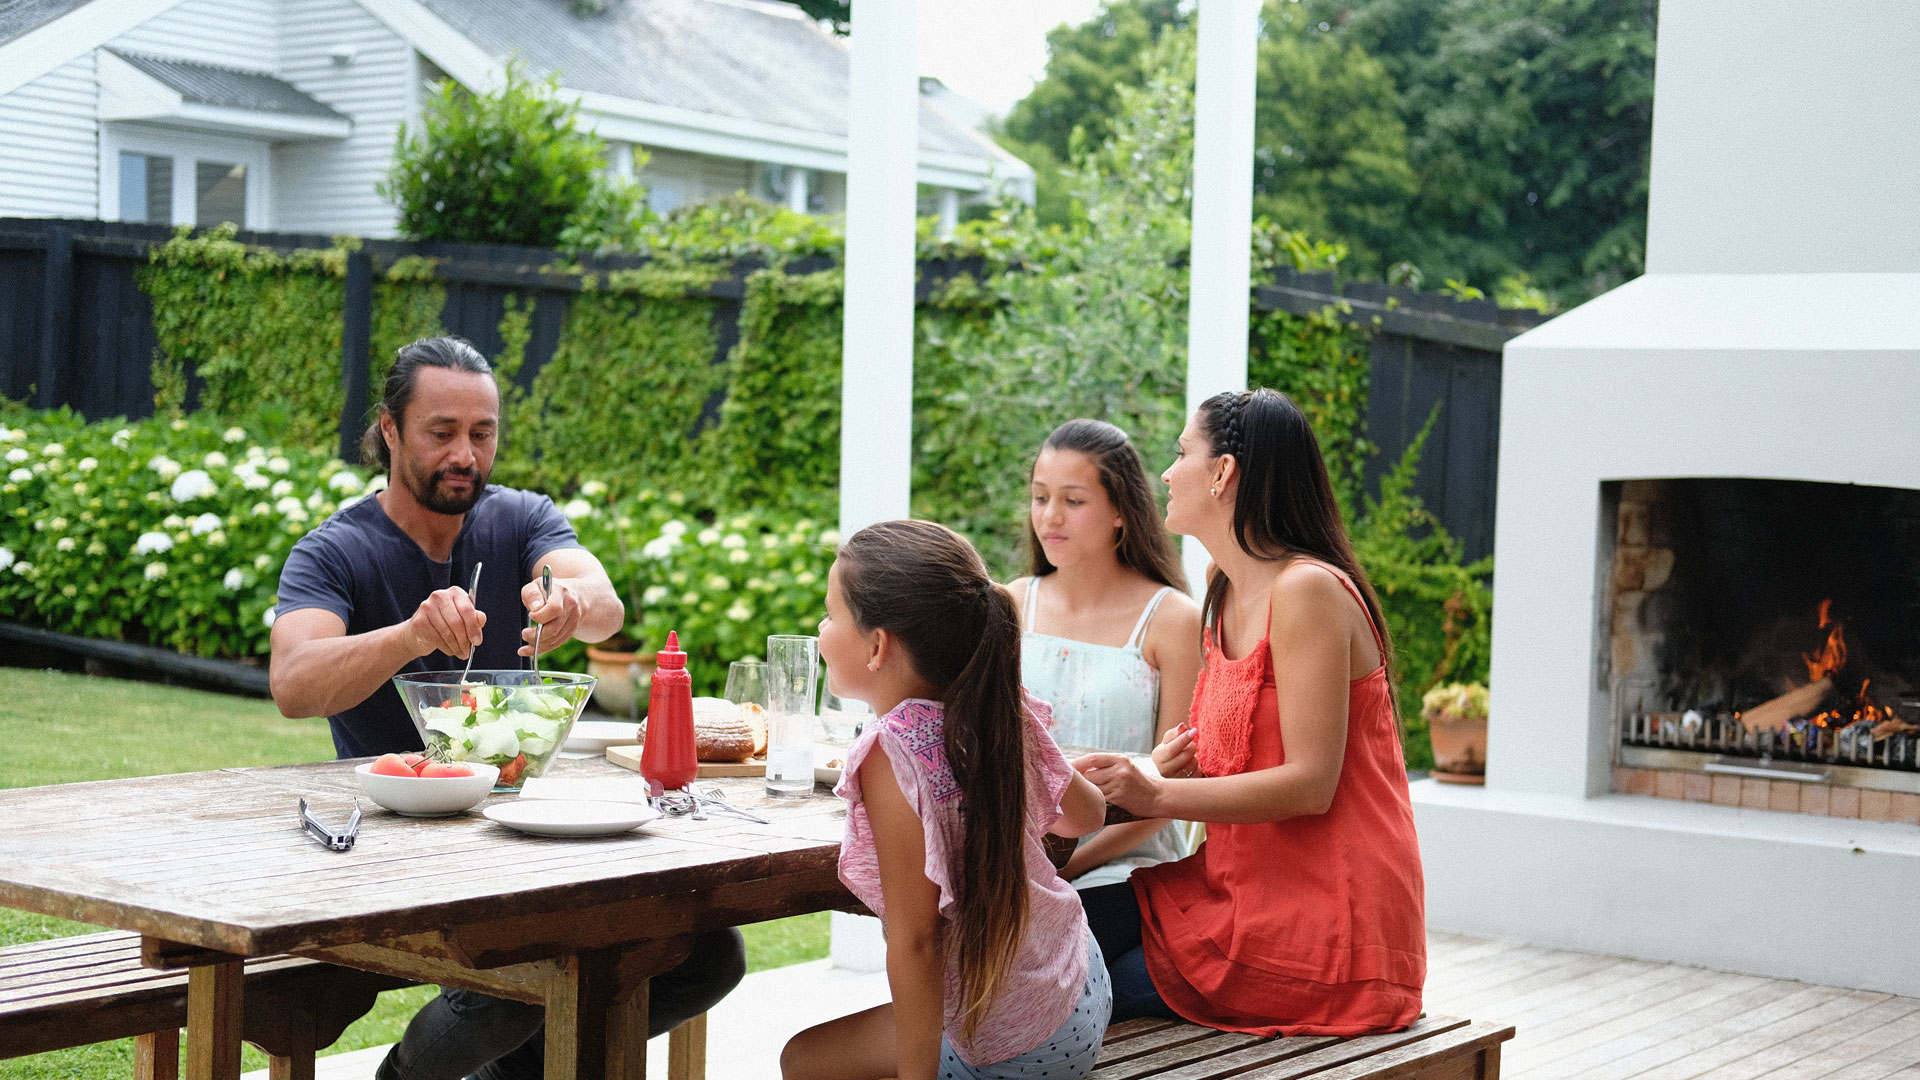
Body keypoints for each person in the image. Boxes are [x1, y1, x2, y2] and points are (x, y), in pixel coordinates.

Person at [269, 336, 745, 1080]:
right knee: (528, 971)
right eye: (442, 432)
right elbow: (294, 682)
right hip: (395, 840)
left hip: (525, 828)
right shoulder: (336, 551)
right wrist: (410, 635)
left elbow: (604, 605)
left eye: (482, 433)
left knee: (711, 953)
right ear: (390, 431)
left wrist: (568, 602)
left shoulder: (521, 518)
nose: (465, 453)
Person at [1074, 388, 1426, 1036]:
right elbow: (1238, 755)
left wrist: (1157, 798)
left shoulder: (1307, 591)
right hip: (1228, 893)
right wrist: (1168, 771)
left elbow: (1310, 785)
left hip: (1323, 928)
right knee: (1045, 938)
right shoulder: (1223, 586)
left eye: (1181, 453)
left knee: (1065, 997)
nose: (1167, 473)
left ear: (1223, 473)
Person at [782, 520, 1112, 1080]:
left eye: (830, 612)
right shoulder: (997, 702)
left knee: (803, 1060)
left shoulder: (891, 752)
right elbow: (1089, 813)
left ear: (878, 645)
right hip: (1078, 990)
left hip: (1011, 1045)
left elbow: (916, 943)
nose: (820, 627)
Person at [1008, 419, 1202, 889]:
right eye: (1040, 497)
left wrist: (1070, 866)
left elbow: (1176, 785)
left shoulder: (1173, 620)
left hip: (1125, 868)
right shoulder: (1009, 605)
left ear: (1121, 510)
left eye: (1073, 501)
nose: (1050, 516)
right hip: (1015, 859)